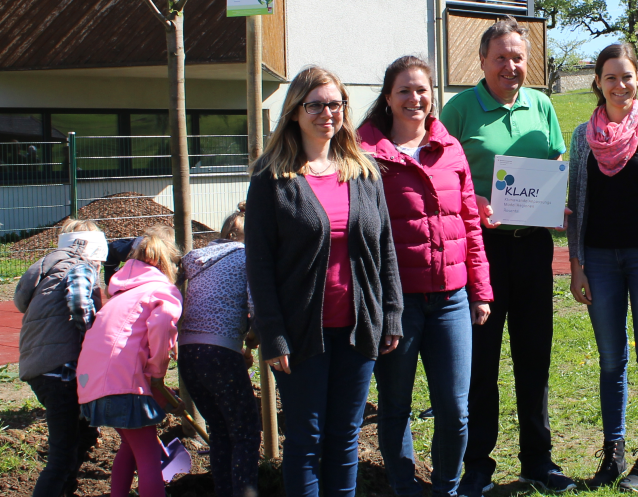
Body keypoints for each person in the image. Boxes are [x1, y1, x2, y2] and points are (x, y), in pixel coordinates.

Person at [245, 65, 403, 497]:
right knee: (307, 441)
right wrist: (273, 335)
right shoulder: (270, 178)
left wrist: (391, 314)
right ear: (295, 111)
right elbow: (258, 266)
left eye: (335, 104)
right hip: (300, 335)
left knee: (344, 438)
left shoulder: (363, 171)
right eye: (315, 104)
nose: (326, 113)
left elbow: (384, 247)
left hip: (358, 330)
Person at [440, 17, 571, 495]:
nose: (511, 66)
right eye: (501, 58)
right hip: (482, 252)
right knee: (482, 362)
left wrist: (556, 196)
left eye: (518, 57)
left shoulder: (542, 104)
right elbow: (438, 179)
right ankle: (478, 464)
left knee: (535, 357)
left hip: (534, 247)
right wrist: (470, 202)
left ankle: (539, 460)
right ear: (481, 62)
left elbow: (556, 160)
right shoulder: (458, 111)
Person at [358, 56, 494, 497]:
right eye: (404, 90)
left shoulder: (449, 148)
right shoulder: (366, 156)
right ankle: (405, 488)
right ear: (388, 99)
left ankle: (446, 489)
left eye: (422, 89)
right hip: (398, 305)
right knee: (395, 407)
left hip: (452, 299)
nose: (414, 98)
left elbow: (470, 220)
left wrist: (480, 290)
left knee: (455, 410)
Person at [567, 44, 638, 492]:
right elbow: (577, 204)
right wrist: (577, 265)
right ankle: (612, 453)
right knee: (611, 360)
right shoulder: (583, 137)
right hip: (598, 260)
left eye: (627, 76)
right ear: (597, 81)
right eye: (611, 77)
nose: (620, 86)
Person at [77, 226, 184, 497]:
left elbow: (122, 347)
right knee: (148, 456)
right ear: (167, 264)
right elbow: (161, 326)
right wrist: (157, 374)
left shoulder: (121, 295)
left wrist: (154, 387)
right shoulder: (162, 291)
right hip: (123, 387)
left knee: (130, 448)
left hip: (93, 387)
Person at [15, 218, 107, 497]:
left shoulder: (43, 267)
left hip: (38, 366)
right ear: (94, 250)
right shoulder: (80, 266)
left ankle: (66, 490)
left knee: (84, 435)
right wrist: (94, 335)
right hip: (60, 371)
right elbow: (80, 301)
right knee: (62, 456)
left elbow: (20, 301)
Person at [177, 208, 260, 497]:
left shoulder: (198, 258)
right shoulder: (248, 257)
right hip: (220, 353)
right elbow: (256, 305)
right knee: (246, 432)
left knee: (221, 430)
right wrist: (253, 336)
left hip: (188, 353)